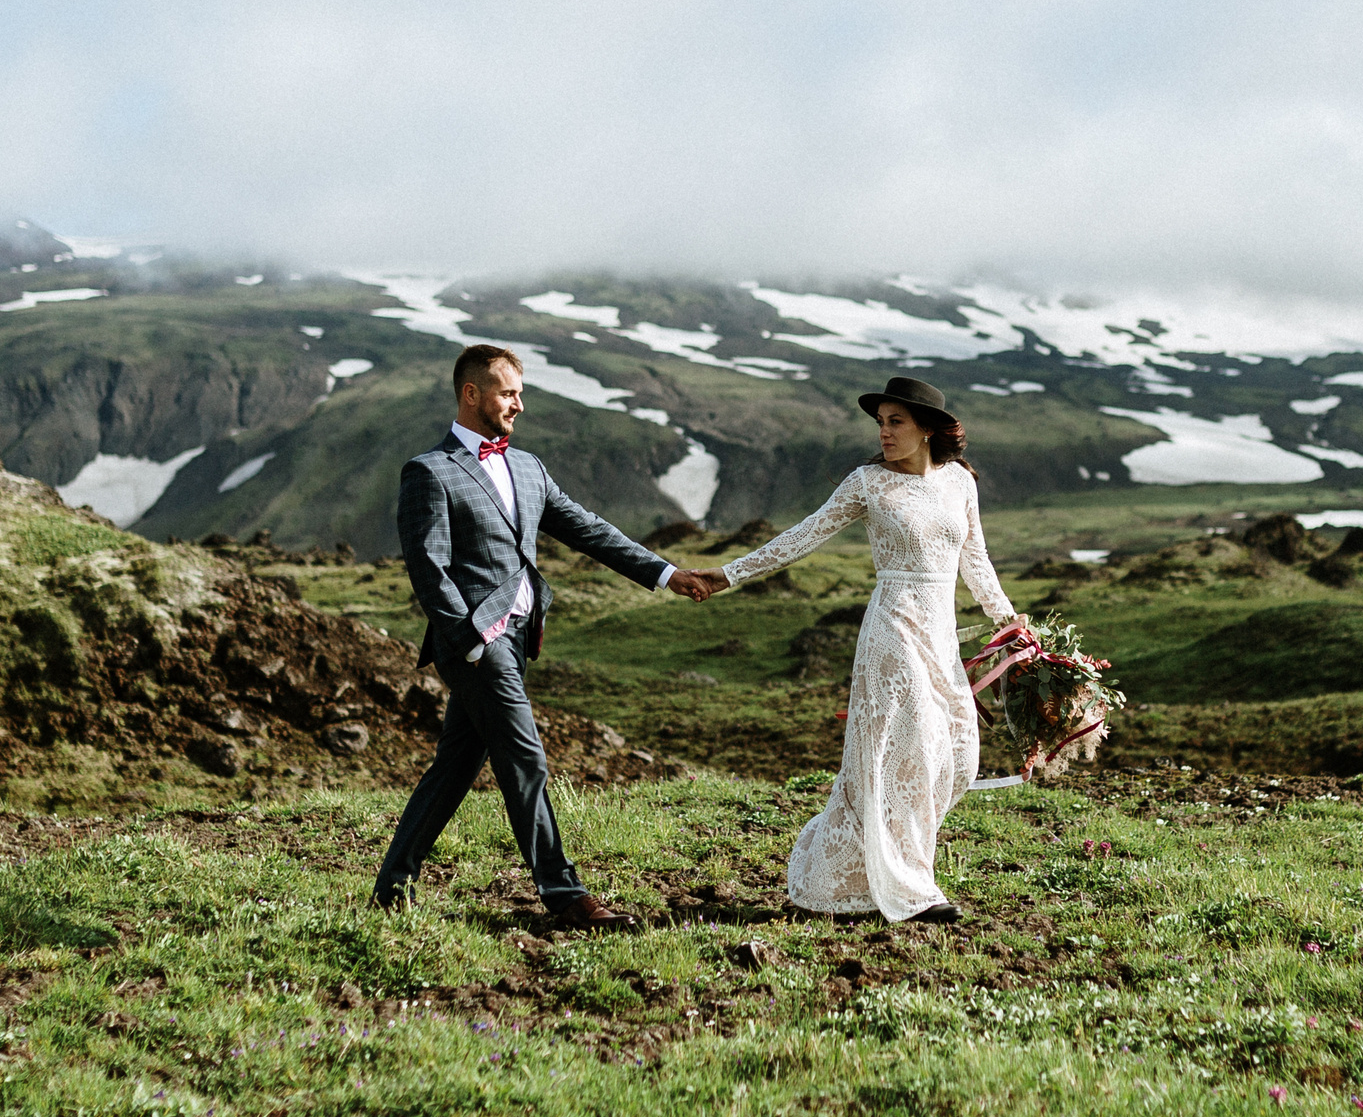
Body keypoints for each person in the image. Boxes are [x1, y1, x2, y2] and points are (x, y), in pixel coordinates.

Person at [372, 343, 715, 930]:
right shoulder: (428, 472)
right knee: (525, 758)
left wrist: (666, 573)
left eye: (521, 393)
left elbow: (588, 529)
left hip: (521, 635)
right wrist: (473, 643)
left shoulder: (528, 467)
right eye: (509, 393)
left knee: (455, 766)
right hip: (477, 645)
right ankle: (564, 893)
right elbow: (428, 569)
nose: (519, 405)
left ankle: (390, 889)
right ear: (471, 394)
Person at [707, 376, 1018, 924]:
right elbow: (803, 535)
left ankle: (833, 877)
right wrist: (728, 574)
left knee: (959, 756)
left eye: (896, 421)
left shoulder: (959, 484)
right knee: (914, 752)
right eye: (881, 422)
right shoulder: (868, 483)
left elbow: (976, 558)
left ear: (928, 429)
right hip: (892, 629)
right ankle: (916, 890)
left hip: (941, 633)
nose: (885, 431)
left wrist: (1007, 620)